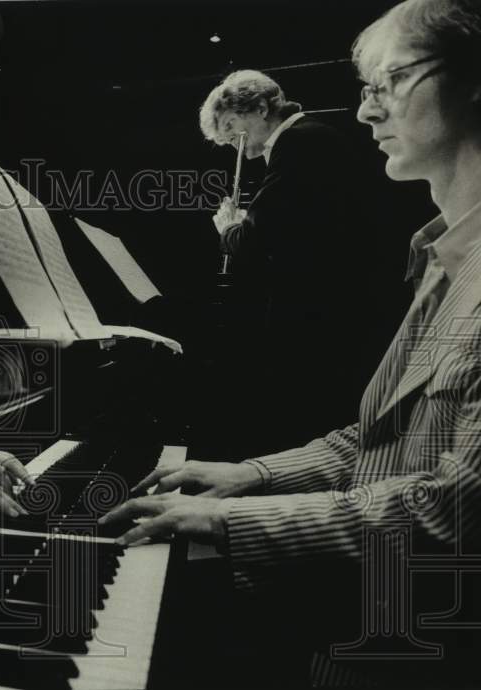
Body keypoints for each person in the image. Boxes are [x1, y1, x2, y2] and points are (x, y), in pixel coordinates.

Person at [105, 0, 481, 685]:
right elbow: (382, 440)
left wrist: (228, 525)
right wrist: (253, 476)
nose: (365, 111)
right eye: (366, 89)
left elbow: (455, 515)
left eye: (391, 81)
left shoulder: (311, 154)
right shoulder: (437, 256)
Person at [199, 71, 366, 455]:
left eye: (232, 128)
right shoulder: (312, 138)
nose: (236, 148)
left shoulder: (298, 142)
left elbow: (252, 243)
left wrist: (228, 228)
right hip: (333, 309)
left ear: (260, 108)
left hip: (321, 318)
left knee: (305, 425)